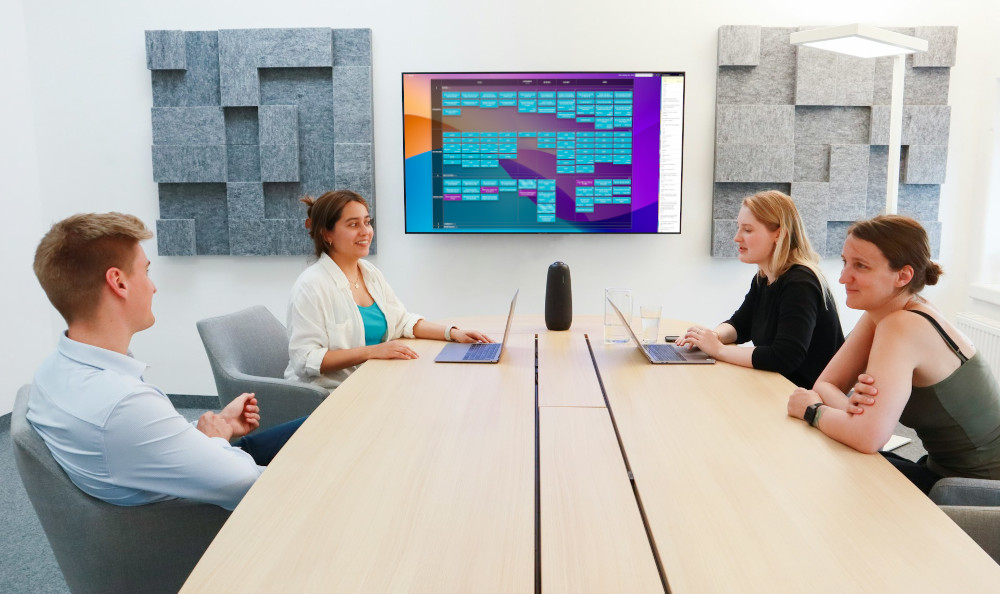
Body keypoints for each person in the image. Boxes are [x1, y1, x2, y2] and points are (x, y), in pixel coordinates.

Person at [28, 212, 304, 511]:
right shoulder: (123, 404)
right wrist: (216, 440)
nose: (153, 286)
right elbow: (248, 483)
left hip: (194, 475)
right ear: (118, 282)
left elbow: (143, 441)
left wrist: (215, 428)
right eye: (145, 272)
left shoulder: (53, 371)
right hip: (220, 514)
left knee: (320, 426)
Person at [787, 215, 1000, 494]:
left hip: (975, 489)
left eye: (860, 266)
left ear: (903, 275)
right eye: (845, 262)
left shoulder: (902, 325)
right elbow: (825, 386)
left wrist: (813, 410)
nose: (842, 277)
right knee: (827, 455)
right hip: (941, 471)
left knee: (823, 472)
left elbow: (867, 437)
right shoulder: (885, 311)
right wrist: (854, 417)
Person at [285, 190, 492, 390]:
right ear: (326, 234)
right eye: (353, 224)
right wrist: (373, 351)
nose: (365, 231)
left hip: (372, 382)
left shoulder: (369, 273)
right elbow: (305, 360)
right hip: (330, 396)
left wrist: (453, 333)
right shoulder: (311, 286)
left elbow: (402, 322)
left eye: (367, 222)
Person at [676, 190, 844, 387]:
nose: (736, 238)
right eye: (738, 228)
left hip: (806, 397)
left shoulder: (801, 283)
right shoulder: (764, 278)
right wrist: (711, 337)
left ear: (779, 234)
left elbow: (785, 357)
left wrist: (718, 350)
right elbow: (740, 326)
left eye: (747, 230)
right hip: (779, 387)